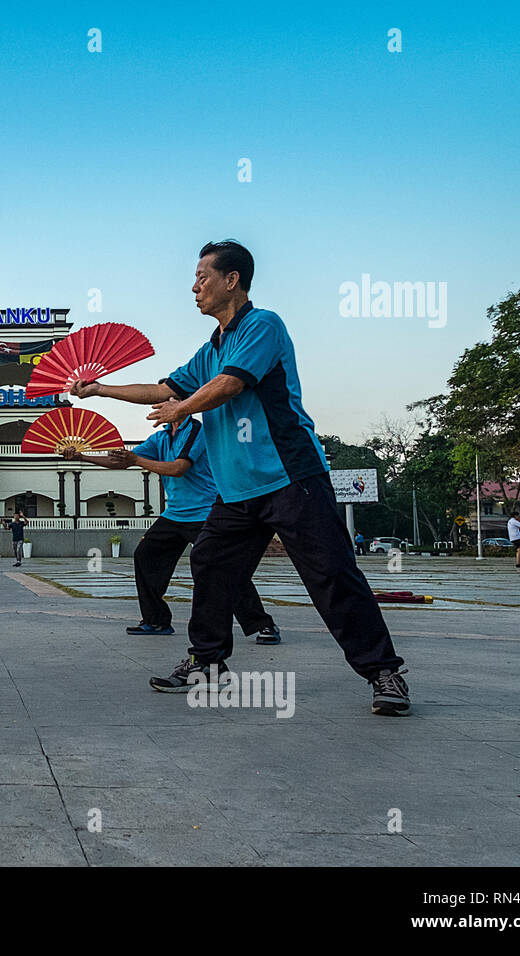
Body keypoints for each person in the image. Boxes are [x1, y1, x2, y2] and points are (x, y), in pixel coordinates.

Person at [72, 239, 409, 716]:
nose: (194, 287)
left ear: (232, 280)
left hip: (291, 477)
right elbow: (164, 388)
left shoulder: (262, 326)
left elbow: (230, 384)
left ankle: (384, 673)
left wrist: (182, 408)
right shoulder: (210, 348)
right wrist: (99, 389)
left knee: (331, 574)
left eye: (202, 277)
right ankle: (207, 664)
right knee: (210, 563)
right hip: (236, 491)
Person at [63, 414, 281, 644]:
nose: (158, 406)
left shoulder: (197, 431)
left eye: (165, 400)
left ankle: (263, 625)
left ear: (183, 403)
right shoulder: (161, 438)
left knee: (221, 566)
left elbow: (178, 468)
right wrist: (81, 456)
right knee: (146, 556)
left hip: (204, 512)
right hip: (174, 514)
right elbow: (122, 461)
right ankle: (156, 620)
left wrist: (136, 459)